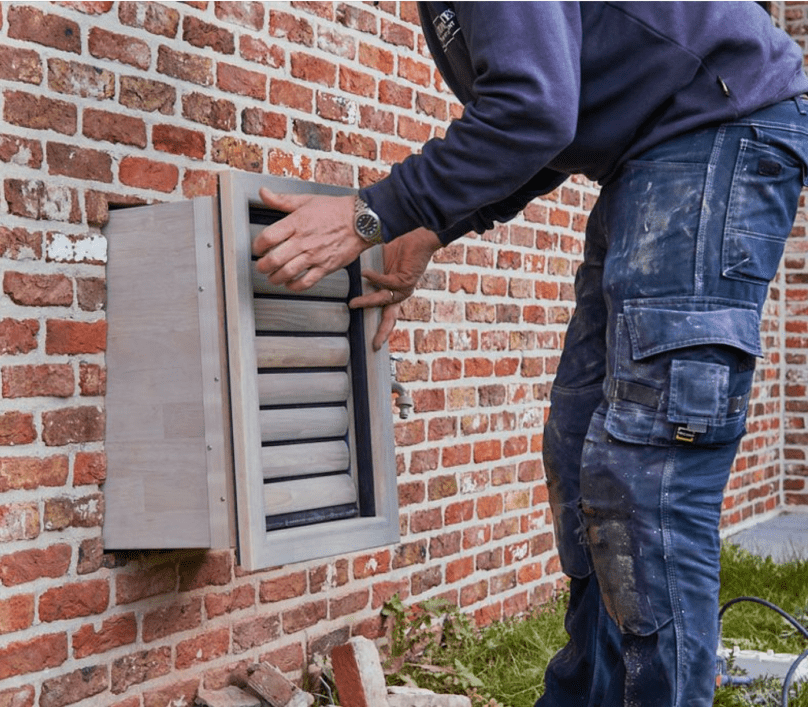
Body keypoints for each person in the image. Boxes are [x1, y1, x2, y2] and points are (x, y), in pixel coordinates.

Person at [251, 3, 808, 706]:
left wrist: (373, 212)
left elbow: (535, 111)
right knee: (581, 454)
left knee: (646, 475)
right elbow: (553, 116)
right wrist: (434, 224)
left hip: (711, 132)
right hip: (649, 154)